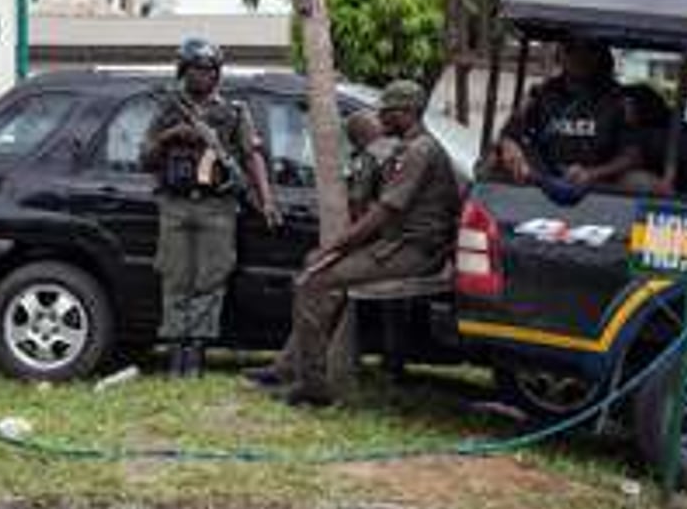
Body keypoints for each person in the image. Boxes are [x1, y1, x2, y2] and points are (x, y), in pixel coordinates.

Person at [251, 80, 461, 407]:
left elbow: (383, 212)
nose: (381, 118)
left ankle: (314, 388)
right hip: (398, 245)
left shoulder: (420, 151)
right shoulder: (406, 148)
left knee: (313, 284)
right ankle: (290, 367)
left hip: (413, 251)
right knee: (316, 274)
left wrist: (335, 248)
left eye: (387, 112)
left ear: (406, 113)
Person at [140, 36, 282, 377]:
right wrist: (170, 136)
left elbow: (252, 157)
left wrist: (267, 200)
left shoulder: (233, 112)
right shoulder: (167, 110)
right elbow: (144, 158)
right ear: (183, 71)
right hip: (175, 204)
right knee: (175, 278)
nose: (204, 76)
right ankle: (175, 353)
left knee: (210, 279)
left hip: (217, 206)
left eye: (210, 70)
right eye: (197, 69)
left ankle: (196, 355)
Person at [243, 108, 388, 391]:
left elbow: (362, 205)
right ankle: (288, 367)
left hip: (379, 246)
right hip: (372, 244)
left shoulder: (375, 159)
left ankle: (304, 377)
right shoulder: (376, 157)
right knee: (316, 286)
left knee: (317, 287)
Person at [496, 38, 642, 195]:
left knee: (643, 182)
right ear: (561, 55)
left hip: (602, 183)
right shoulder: (540, 93)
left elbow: (632, 156)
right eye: (571, 49)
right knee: (491, 163)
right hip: (544, 177)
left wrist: (592, 173)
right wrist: (510, 147)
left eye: (590, 49)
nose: (580, 56)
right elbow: (509, 132)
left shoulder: (619, 100)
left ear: (601, 56)